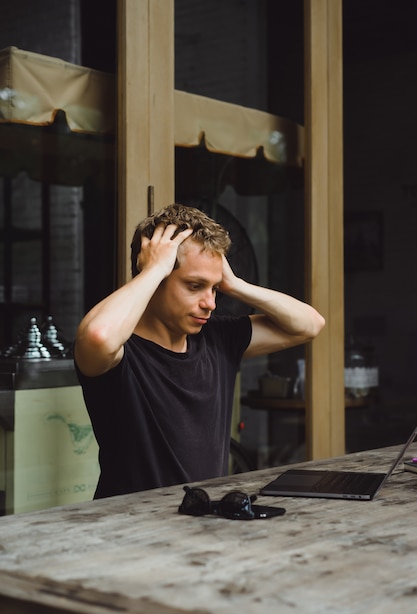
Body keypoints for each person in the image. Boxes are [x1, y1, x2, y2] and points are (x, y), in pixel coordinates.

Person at [74, 203, 325, 498]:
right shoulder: (122, 353)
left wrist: (236, 284)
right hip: (130, 528)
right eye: (195, 286)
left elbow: (309, 325)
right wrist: (152, 270)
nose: (211, 303)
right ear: (156, 279)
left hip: (203, 521)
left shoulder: (217, 338)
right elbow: (98, 335)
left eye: (214, 289)